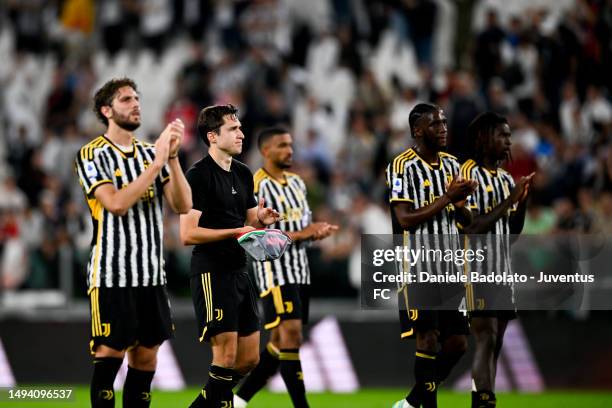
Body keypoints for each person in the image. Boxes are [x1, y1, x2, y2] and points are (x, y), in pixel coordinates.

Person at [74, 77, 192, 408]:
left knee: (146, 357)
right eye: (126, 99)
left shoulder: (149, 153)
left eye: (137, 98)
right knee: (110, 352)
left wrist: (171, 159)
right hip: (112, 273)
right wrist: (156, 164)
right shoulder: (92, 154)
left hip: (151, 275)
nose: (136, 103)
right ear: (106, 110)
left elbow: (183, 205)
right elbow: (116, 204)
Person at [179, 104, 280, 408]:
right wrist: (233, 232)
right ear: (212, 136)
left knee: (248, 359)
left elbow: (248, 225)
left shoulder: (243, 173)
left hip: (239, 269)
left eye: (240, 127)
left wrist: (261, 219)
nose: (241, 133)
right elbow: (187, 234)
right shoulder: (198, 176)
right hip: (212, 271)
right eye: (233, 128)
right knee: (225, 357)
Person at [233, 127, 338, 408]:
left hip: (300, 269)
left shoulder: (297, 183)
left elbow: (302, 226)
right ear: (266, 150)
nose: (289, 150)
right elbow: (254, 235)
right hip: (275, 271)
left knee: (280, 341)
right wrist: (305, 233)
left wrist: (316, 231)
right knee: (291, 334)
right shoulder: (256, 185)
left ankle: (239, 399)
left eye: (291, 145)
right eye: (282, 145)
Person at [386, 103, 477, 408]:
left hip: (451, 265)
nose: (443, 129)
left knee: (458, 343)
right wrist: (448, 197)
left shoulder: (454, 165)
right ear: (417, 131)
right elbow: (404, 219)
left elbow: (467, 222)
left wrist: (462, 206)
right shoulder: (401, 166)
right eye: (435, 125)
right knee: (428, 337)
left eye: (444, 123)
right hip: (418, 265)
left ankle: (412, 403)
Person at [460, 112, 533, 408]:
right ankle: (486, 402)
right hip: (476, 266)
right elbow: (474, 227)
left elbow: (511, 232)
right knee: (486, 336)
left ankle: (481, 399)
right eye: (502, 135)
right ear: (483, 137)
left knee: (495, 343)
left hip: (501, 268)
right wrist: (510, 201)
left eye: (509, 136)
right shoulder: (467, 173)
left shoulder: (504, 179)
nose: (508, 141)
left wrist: (522, 202)